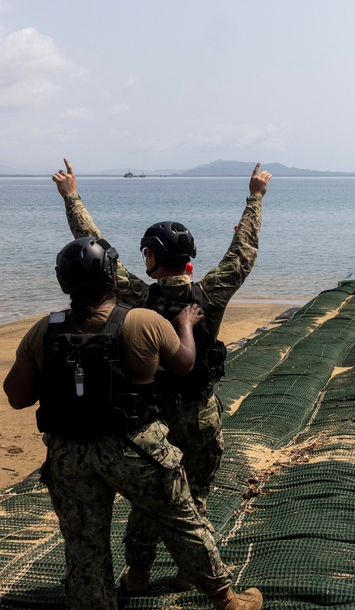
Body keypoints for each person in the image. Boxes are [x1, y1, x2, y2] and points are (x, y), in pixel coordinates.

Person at [3, 237, 262, 609]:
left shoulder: (45, 330)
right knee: (181, 520)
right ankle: (228, 600)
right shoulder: (141, 321)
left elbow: (16, 397)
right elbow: (185, 364)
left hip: (69, 455)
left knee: (84, 543)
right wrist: (186, 324)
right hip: (136, 447)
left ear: (64, 283)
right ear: (113, 278)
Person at [52, 159, 271, 590]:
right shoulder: (210, 294)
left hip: (155, 419)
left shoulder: (137, 296)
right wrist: (255, 198)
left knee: (152, 500)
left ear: (154, 256)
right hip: (201, 412)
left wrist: (71, 197)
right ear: (187, 257)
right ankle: (194, 573)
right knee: (195, 500)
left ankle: (138, 571)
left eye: (146, 252)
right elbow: (243, 251)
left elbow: (96, 248)